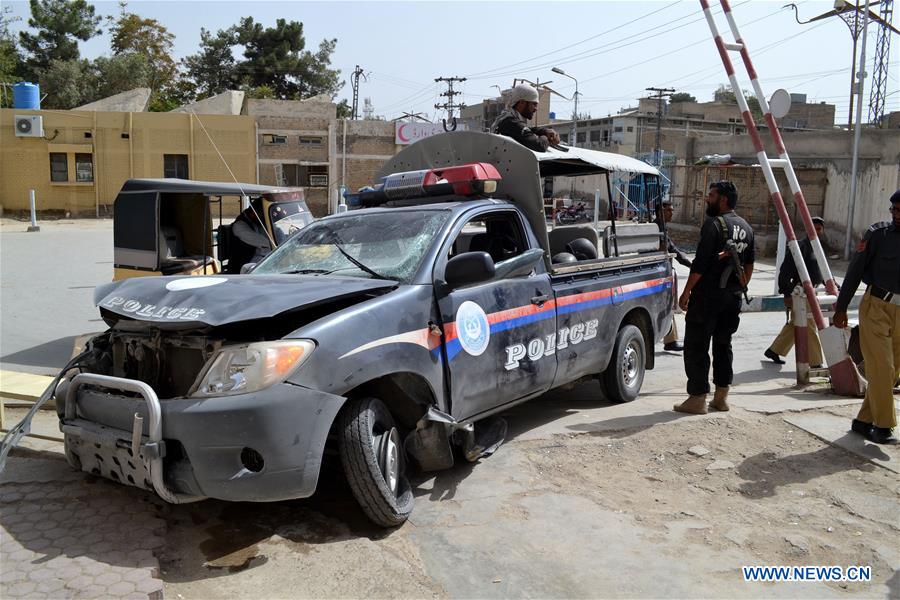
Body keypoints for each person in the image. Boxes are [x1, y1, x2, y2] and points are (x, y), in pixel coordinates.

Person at [674, 181, 755, 414]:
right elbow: (750, 265)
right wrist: (740, 286)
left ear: (723, 200)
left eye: (711, 195)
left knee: (696, 346)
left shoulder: (714, 225)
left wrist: (686, 291)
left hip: (707, 297)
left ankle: (698, 398)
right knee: (723, 344)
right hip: (732, 298)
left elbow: (700, 264)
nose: (707, 199)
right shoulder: (746, 228)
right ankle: (721, 397)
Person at [832, 189, 900, 445]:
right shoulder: (878, 235)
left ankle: (863, 421)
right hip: (876, 307)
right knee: (882, 367)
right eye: (893, 210)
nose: (896, 215)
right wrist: (841, 308)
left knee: (892, 372)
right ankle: (883, 426)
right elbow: (855, 270)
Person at [764, 217, 826, 366]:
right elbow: (785, 271)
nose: (816, 231)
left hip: (813, 291)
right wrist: (787, 293)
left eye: (819, 229)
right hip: (801, 292)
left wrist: (833, 285)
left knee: (797, 323)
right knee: (809, 324)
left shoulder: (817, 247)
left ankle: (775, 350)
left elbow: (822, 271)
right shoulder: (800, 247)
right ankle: (816, 362)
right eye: (813, 228)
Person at [657, 199, 692, 352]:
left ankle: (670, 339)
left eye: (672, 210)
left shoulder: (661, 228)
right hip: (658, 275)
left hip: (661, 273)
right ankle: (669, 339)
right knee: (666, 305)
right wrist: (690, 265)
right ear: (660, 212)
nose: (672, 213)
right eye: (668, 210)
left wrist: (689, 264)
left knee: (667, 305)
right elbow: (673, 251)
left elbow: (674, 249)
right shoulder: (657, 229)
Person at [491, 84, 560, 152]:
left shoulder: (509, 120)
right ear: (522, 103)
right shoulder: (510, 122)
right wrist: (547, 137)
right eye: (534, 104)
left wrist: (544, 131)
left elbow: (528, 131)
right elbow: (539, 145)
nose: (536, 108)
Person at [232, 198, 274, 265]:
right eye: (263, 215)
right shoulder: (239, 226)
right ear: (254, 213)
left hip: (261, 258)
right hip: (245, 264)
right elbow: (264, 242)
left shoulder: (258, 222)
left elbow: (276, 232)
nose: (264, 219)